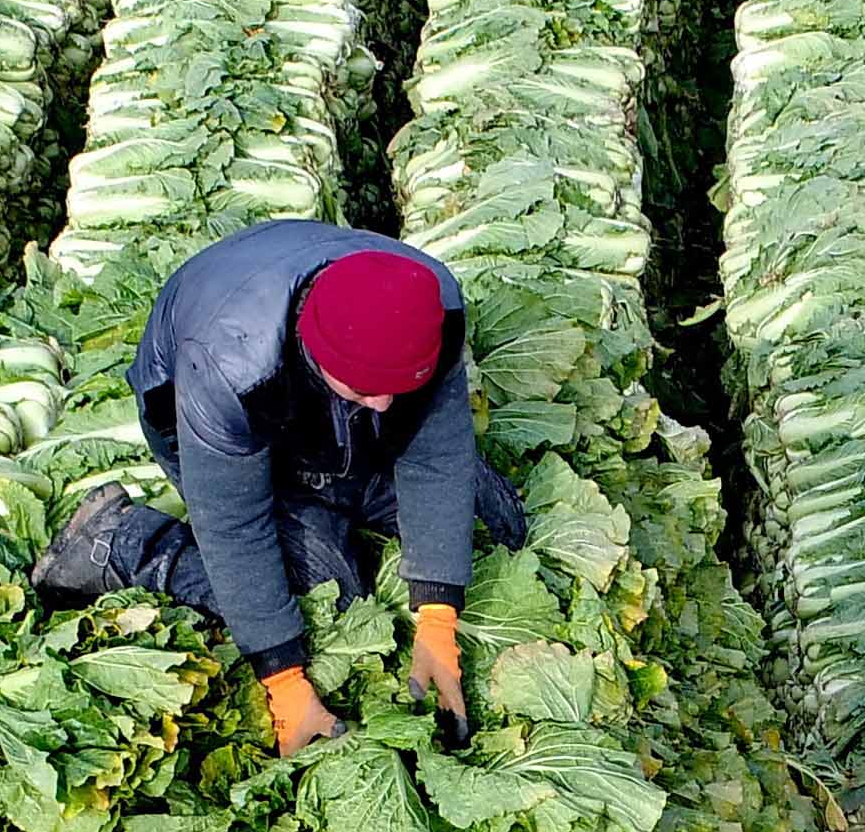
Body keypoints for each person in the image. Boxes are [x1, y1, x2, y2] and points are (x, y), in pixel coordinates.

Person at [28, 219, 528, 757]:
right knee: (329, 595)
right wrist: (282, 677)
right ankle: (127, 545)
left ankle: (344, 482)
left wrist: (437, 614)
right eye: (365, 390)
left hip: (325, 382)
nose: (383, 404)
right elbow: (236, 527)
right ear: (318, 357)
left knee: (483, 519)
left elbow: (437, 455)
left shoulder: (434, 305)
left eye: (399, 388)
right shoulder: (233, 370)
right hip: (217, 417)